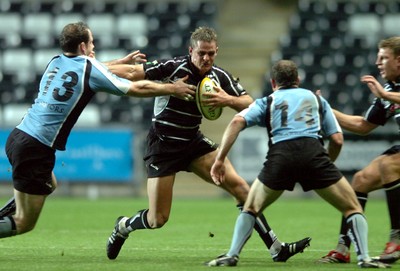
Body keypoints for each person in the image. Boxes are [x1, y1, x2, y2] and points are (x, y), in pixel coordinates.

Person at [105, 26, 311, 261]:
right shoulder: (173, 67)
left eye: (211, 53)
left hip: (193, 142)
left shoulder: (219, 75)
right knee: (157, 219)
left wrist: (227, 99)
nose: (206, 58)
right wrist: (97, 67)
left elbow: (250, 103)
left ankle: (276, 248)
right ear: (191, 50)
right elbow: (133, 73)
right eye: (202, 53)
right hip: (164, 144)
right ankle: (123, 226)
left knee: (242, 190)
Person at [0, 21, 197, 239]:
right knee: (24, 222)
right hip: (35, 147)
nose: (94, 46)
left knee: (49, 183)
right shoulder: (88, 68)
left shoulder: (55, 61)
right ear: (83, 47)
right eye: (91, 42)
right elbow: (134, 87)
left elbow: (89, 67)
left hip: (18, 136)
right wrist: (172, 88)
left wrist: (119, 62)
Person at [204, 59, 390, 268]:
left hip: (280, 157)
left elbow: (237, 121)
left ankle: (232, 255)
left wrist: (220, 160)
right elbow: (337, 139)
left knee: (251, 208)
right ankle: (364, 258)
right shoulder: (316, 100)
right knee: (353, 208)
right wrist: (326, 162)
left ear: (274, 82)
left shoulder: (268, 100)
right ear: (298, 80)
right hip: (314, 154)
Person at [319, 36, 400, 264]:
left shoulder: (387, 93)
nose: (377, 62)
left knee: (387, 165)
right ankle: (343, 247)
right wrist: (325, 109)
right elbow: (363, 126)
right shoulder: (389, 90)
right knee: (361, 180)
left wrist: (384, 95)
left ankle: (397, 238)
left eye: (383, 58)